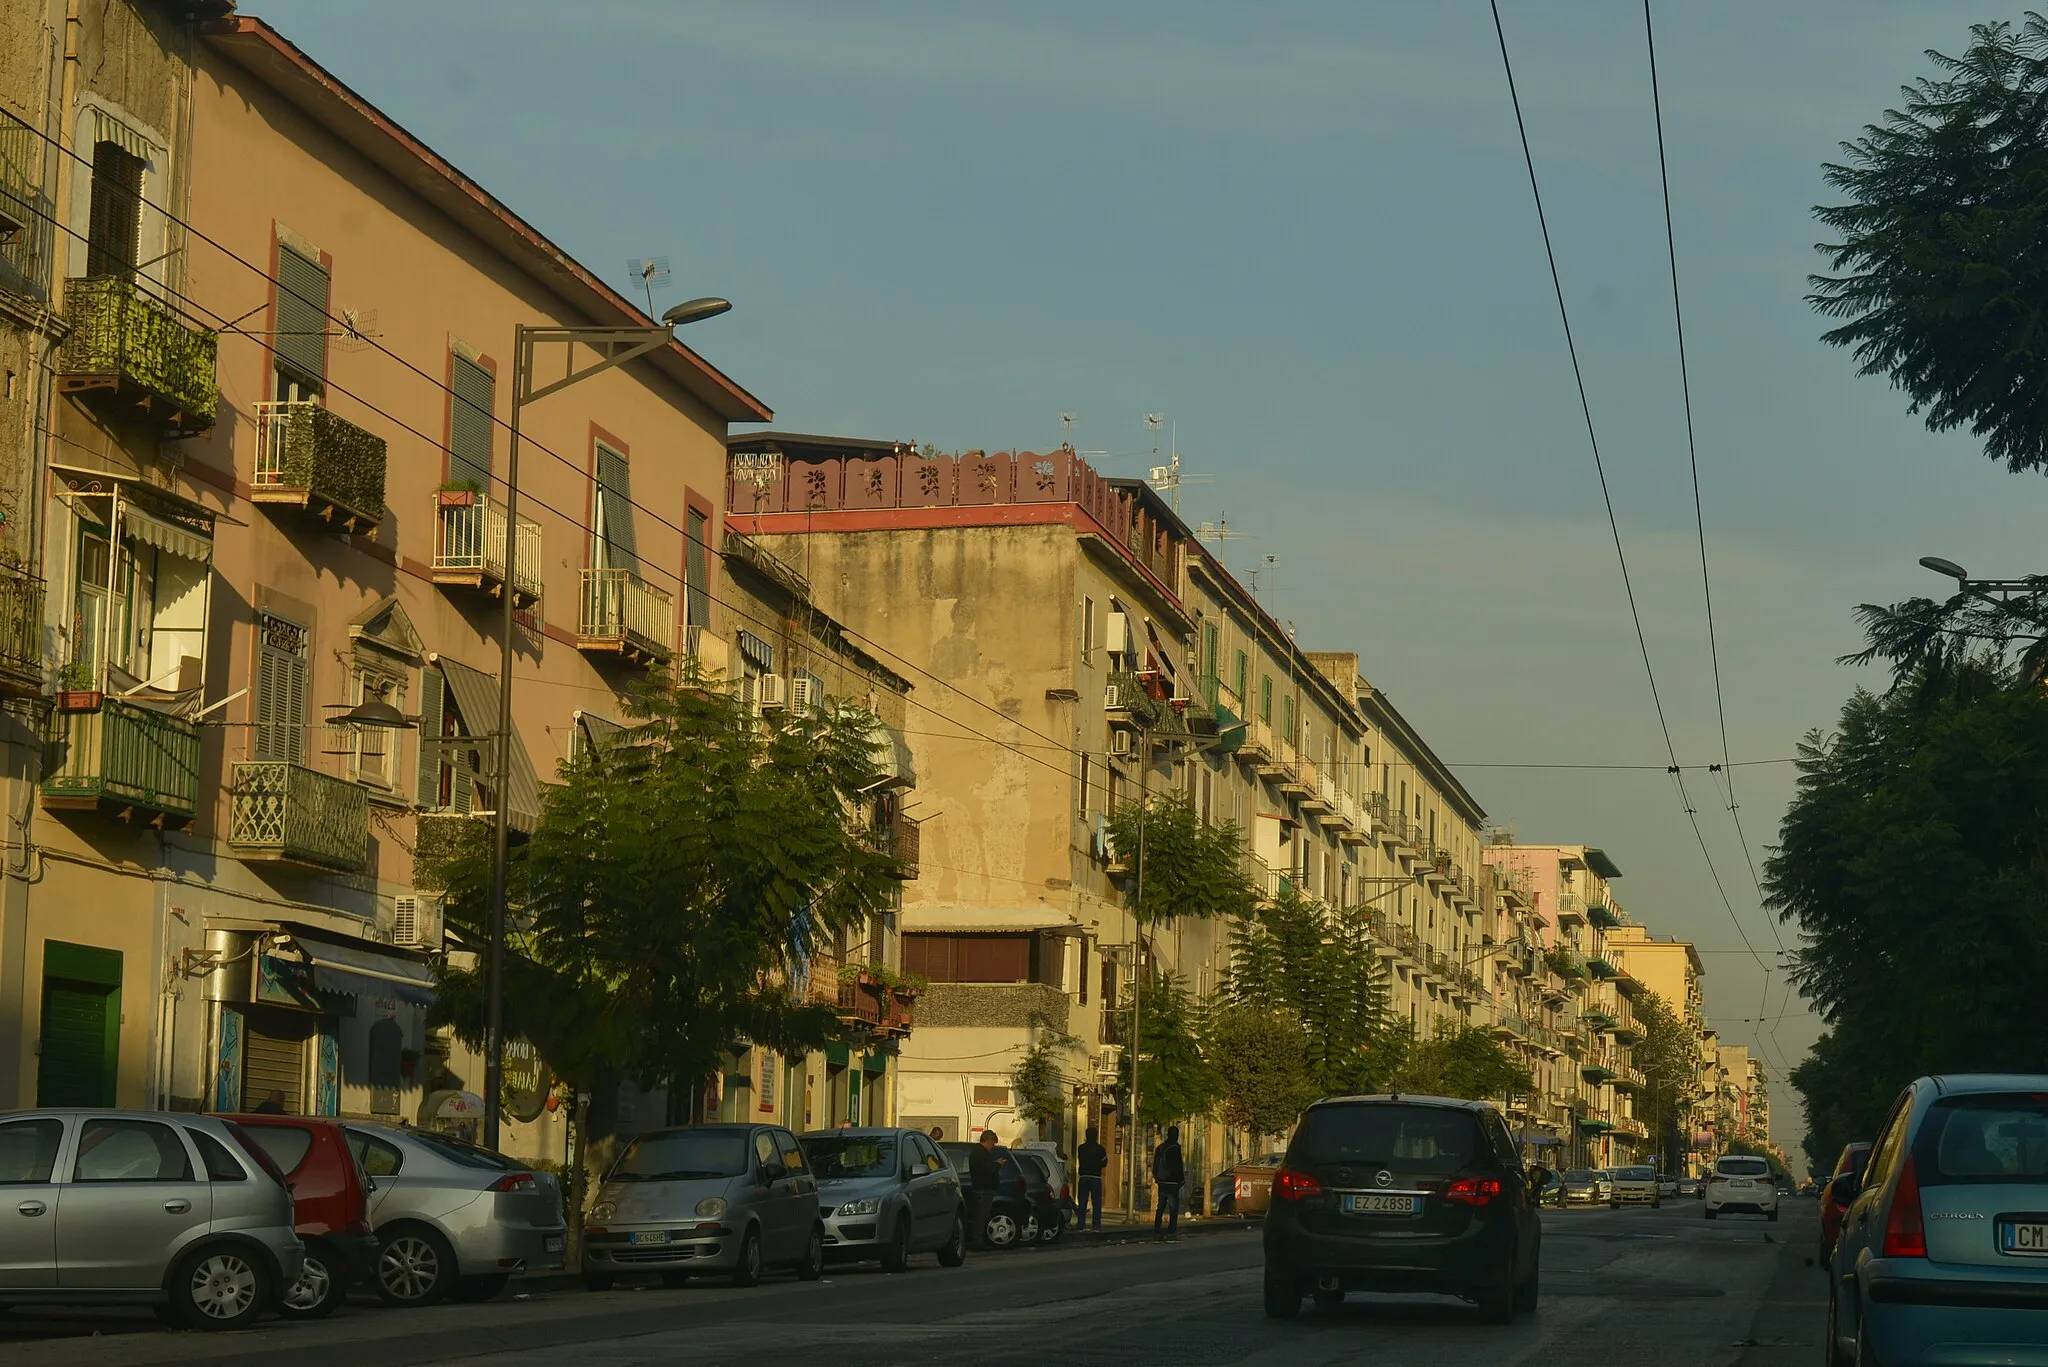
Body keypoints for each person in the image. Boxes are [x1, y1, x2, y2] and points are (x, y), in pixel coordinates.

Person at [968, 1128, 1003, 1248]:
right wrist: (998, 1164)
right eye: (992, 1144)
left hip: (981, 1188)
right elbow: (988, 1170)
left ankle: (977, 1239)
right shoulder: (981, 1153)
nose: (992, 1147)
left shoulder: (977, 1152)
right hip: (983, 1189)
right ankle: (977, 1241)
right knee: (981, 1215)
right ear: (988, 1141)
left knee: (980, 1215)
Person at [1152, 1125, 1185, 1239]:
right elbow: (1178, 1166)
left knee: (1160, 1206)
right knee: (1173, 1207)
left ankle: (1157, 1228)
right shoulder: (1175, 1148)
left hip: (1162, 1181)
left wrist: (1157, 1177)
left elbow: (1155, 1164)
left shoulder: (1160, 1148)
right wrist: (1181, 1179)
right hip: (1173, 1182)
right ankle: (1171, 1229)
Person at [1076, 1126, 1108, 1231]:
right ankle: (1096, 1225)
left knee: (1082, 1201)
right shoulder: (1100, 1149)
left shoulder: (1081, 1148)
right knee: (1096, 1202)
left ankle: (1080, 1224)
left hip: (1084, 1176)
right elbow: (1104, 1163)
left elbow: (1080, 1159)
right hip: (1095, 1177)